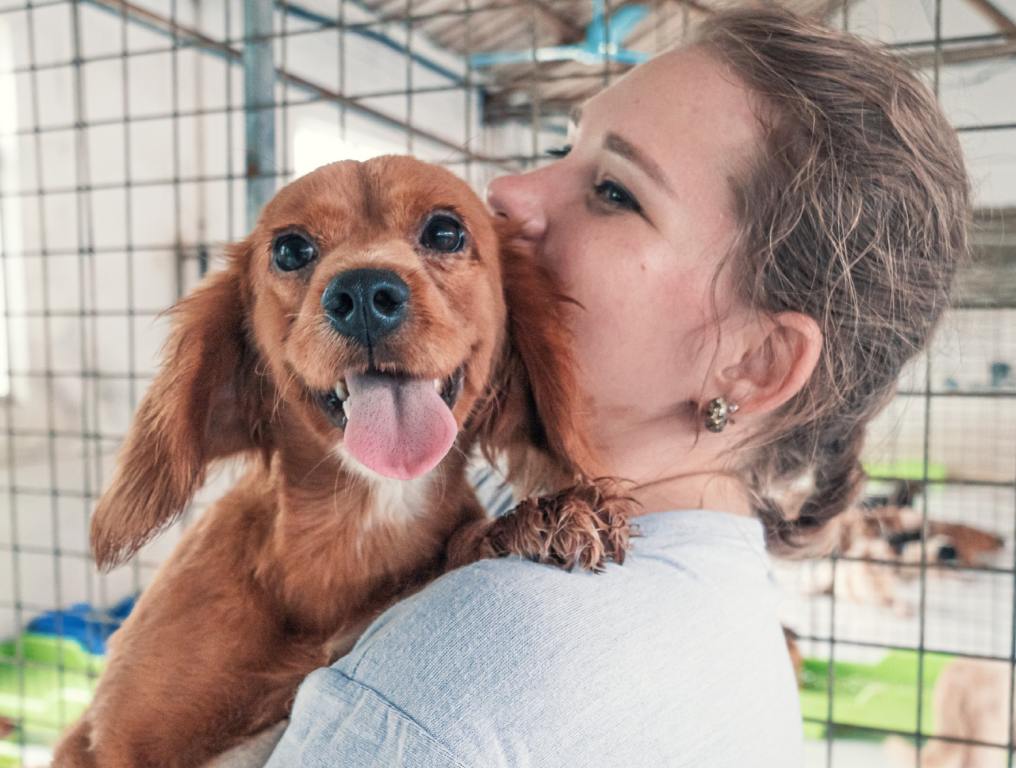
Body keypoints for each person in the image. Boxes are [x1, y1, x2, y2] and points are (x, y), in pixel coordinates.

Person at [263, 7, 970, 766]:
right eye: (560, 147)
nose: (505, 191)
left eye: (612, 191)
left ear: (755, 364)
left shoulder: (463, 673)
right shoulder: (732, 613)